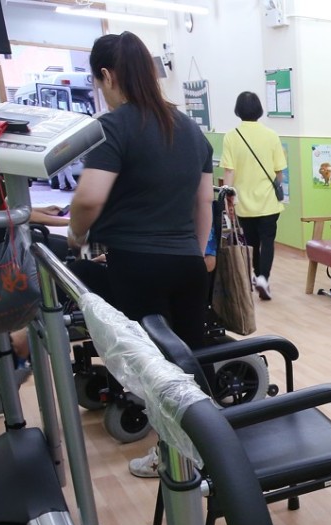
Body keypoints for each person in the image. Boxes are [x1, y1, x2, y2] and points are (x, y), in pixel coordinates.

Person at [67, 32, 213, 478]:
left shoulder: (114, 126)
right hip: (187, 263)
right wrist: (196, 250)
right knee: (191, 362)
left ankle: (174, 457)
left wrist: (75, 237)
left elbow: (89, 198)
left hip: (137, 264)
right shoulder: (190, 128)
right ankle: (211, 457)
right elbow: (203, 202)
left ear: (107, 76)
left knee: (153, 369)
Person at [219, 91, 286, 301]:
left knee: (251, 243)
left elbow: (229, 171)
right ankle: (264, 278)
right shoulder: (271, 135)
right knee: (268, 241)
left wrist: (227, 196)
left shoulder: (231, 136)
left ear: (238, 110)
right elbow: (279, 173)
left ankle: (257, 275)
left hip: (244, 203)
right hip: (268, 203)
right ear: (259, 110)